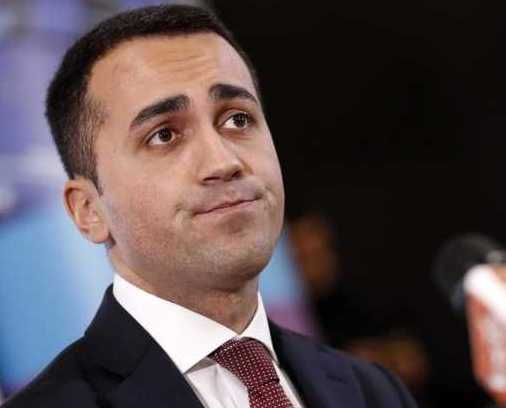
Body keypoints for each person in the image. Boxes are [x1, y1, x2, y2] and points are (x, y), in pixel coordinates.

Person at [4, 5, 417, 408]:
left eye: (238, 119)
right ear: (88, 210)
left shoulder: (372, 390)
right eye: (164, 135)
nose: (223, 162)